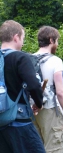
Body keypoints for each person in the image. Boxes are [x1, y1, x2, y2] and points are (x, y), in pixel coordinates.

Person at [0, 20, 45, 152]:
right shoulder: (20, 58)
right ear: (16, 37)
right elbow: (33, 85)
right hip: (19, 121)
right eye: (22, 38)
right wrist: (39, 103)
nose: (23, 42)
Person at [33, 26, 63, 153]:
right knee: (53, 149)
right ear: (51, 40)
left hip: (31, 110)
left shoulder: (29, 58)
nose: (58, 44)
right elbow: (60, 92)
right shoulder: (55, 61)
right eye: (57, 41)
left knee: (36, 148)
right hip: (50, 109)